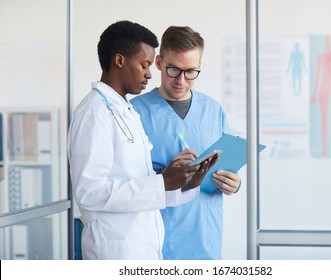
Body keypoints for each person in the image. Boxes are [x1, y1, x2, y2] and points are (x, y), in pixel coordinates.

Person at [67, 21, 217, 260]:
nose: (149, 73)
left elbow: (142, 187)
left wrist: (187, 183)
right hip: (115, 251)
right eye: (145, 64)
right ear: (119, 61)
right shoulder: (94, 113)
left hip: (142, 248)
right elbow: (89, 191)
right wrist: (162, 183)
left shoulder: (125, 111)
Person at [131, 26, 241, 260]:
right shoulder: (135, 113)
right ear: (159, 62)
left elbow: (226, 166)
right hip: (156, 243)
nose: (182, 80)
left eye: (191, 72)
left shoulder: (214, 111)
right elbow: (123, 183)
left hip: (206, 242)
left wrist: (233, 184)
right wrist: (165, 175)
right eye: (174, 70)